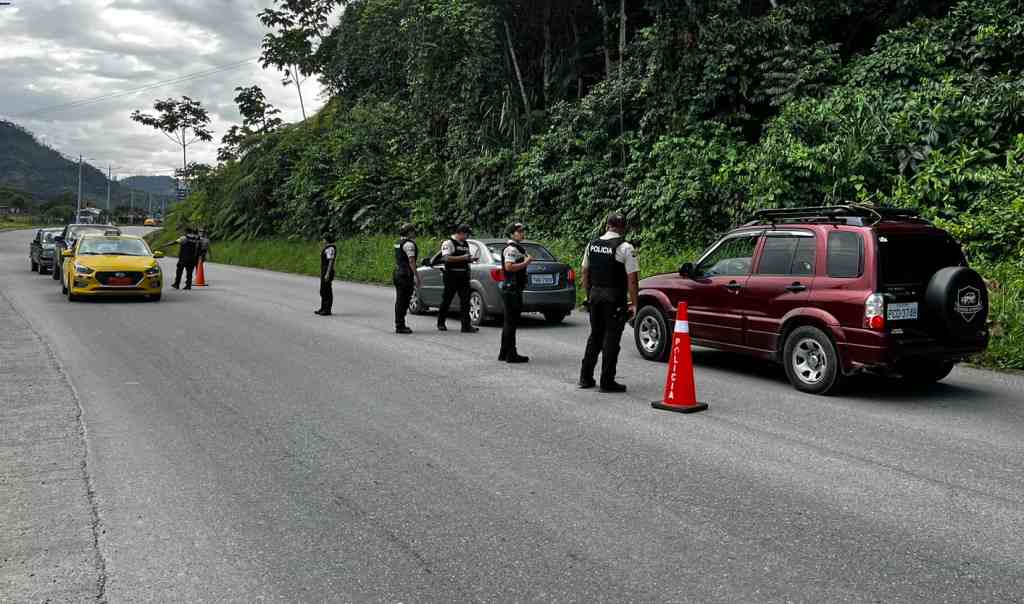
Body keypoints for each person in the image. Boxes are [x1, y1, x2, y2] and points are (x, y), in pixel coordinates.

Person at [579, 212, 640, 393]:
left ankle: (585, 377)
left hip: (595, 295)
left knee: (595, 336)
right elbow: (632, 280)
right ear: (623, 228)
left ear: (607, 225)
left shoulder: (592, 244)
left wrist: (588, 295)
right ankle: (607, 381)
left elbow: (584, 272)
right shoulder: (626, 247)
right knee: (611, 339)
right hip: (614, 298)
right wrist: (635, 303)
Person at [498, 222, 533, 363]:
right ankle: (511, 355)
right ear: (512, 234)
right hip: (512, 288)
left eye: (522, 230)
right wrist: (526, 262)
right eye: (519, 231)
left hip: (513, 287)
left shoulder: (517, 248)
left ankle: (504, 353)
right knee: (511, 323)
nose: (522, 233)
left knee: (509, 322)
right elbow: (509, 267)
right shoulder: (511, 249)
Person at [436, 224, 478, 333]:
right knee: (447, 299)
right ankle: (441, 322)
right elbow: (446, 258)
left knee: (465, 301)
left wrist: (471, 259)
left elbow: (466, 257)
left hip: (463, 275)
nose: (468, 237)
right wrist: (463, 258)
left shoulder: (465, 244)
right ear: (460, 233)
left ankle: (466, 326)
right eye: (467, 234)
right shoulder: (448, 243)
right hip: (451, 275)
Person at [393, 223, 421, 334]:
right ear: (409, 232)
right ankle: (400, 325)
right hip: (405, 275)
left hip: (398, 273)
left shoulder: (398, 242)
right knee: (403, 300)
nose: (414, 233)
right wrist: (417, 276)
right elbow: (411, 261)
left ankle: (400, 323)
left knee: (400, 300)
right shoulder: (409, 245)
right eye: (413, 231)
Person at [315, 233, 337, 316]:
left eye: (323, 239)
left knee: (327, 290)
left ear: (327, 239)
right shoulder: (327, 248)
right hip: (324, 271)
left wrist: (327, 274)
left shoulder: (331, 248)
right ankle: (323, 308)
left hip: (328, 271)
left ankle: (327, 309)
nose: (322, 240)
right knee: (323, 290)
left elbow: (330, 262)